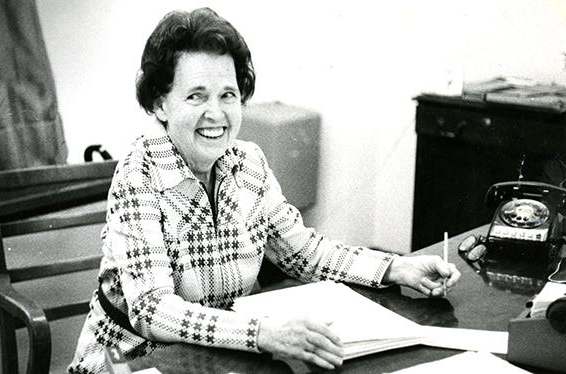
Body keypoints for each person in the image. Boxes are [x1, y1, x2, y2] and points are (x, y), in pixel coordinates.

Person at [68, 7, 460, 373]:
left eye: (228, 95)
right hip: (132, 359)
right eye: (196, 96)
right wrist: (260, 332)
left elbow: (303, 252)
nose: (216, 113)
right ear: (160, 104)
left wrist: (396, 267)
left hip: (221, 356)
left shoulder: (248, 163)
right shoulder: (139, 172)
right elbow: (152, 310)